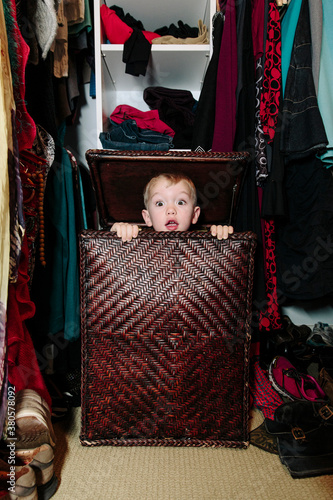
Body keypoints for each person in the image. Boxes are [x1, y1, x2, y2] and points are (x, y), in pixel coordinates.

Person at [111, 172, 234, 241]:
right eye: (160, 203)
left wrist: (222, 235)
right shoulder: (139, 240)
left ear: (194, 214)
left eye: (180, 202)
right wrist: (118, 231)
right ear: (147, 217)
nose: (171, 210)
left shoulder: (203, 242)